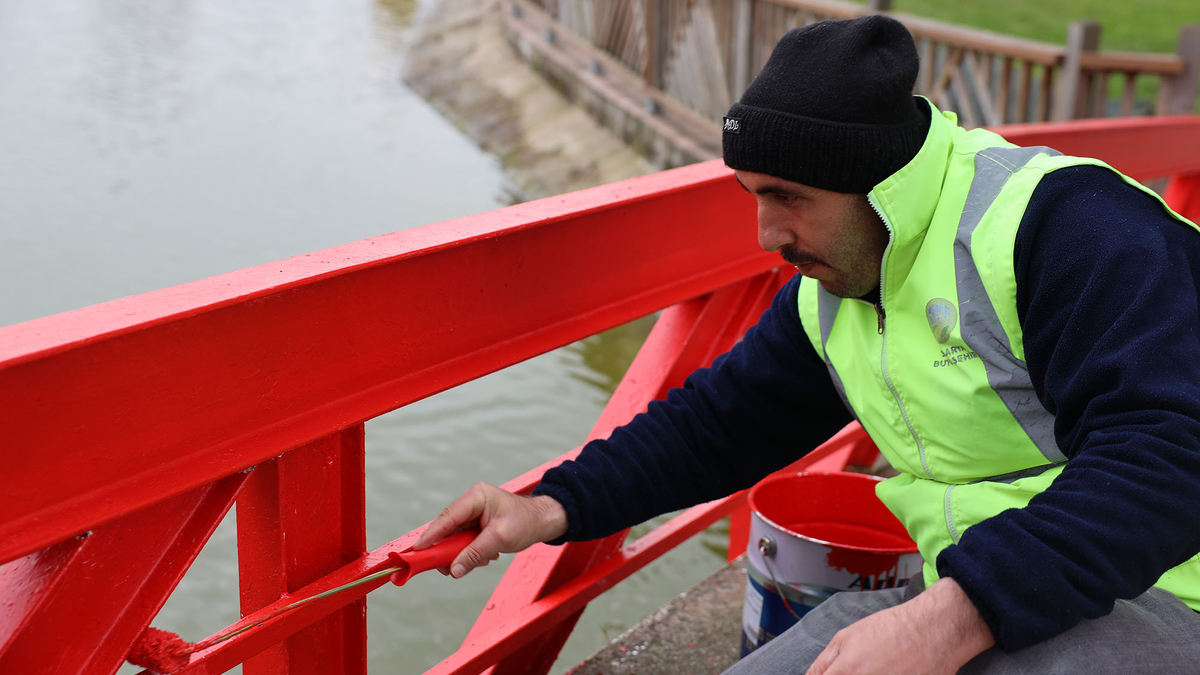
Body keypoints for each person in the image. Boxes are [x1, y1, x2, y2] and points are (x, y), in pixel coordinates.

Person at [415, 14, 1200, 674]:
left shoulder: (1068, 229)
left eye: (790, 197)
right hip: (995, 585)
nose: (767, 234)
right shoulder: (836, 288)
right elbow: (719, 422)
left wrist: (948, 620)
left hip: (1164, 586)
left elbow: (1172, 451)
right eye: (753, 196)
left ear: (881, 180)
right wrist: (548, 503)